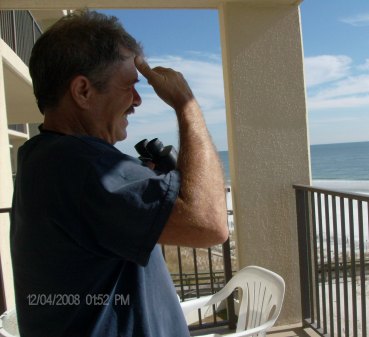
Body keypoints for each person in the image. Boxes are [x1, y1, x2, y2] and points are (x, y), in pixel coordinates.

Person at [10, 10, 228, 337]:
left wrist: (143, 186)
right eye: (130, 86)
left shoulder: (43, 157)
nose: (138, 100)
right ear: (83, 91)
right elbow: (210, 223)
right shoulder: (84, 167)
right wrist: (187, 104)